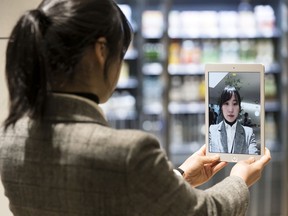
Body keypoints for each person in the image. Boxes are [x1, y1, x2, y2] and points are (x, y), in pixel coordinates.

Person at [0, 0, 270, 215]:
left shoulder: (10, 138)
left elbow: (116, 198)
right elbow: (205, 212)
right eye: (121, 54)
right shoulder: (129, 152)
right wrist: (240, 179)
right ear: (101, 51)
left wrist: (180, 176)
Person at [209, 86, 259, 154]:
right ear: (221, 107)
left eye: (235, 104)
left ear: (239, 107)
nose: (230, 110)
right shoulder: (212, 130)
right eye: (226, 103)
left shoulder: (248, 133)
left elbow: (253, 159)